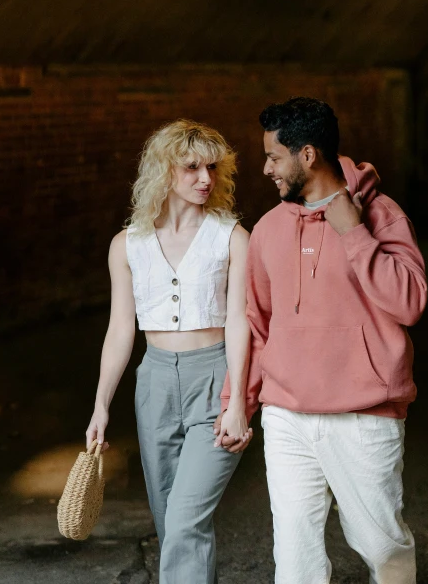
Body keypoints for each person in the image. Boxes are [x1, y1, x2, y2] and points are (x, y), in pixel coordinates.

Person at [217, 97, 427, 584]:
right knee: (294, 557)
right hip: (287, 414)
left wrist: (355, 235)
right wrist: (236, 403)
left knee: (382, 546)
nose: (266, 168)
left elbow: (411, 302)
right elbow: (257, 323)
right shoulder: (269, 229)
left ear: (307, 155)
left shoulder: (382, 215)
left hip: (363, 414)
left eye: (273, 156)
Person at [86, 119, 253, 584]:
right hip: (155, 383)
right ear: (163, 171)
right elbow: (121, 328)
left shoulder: (233, 237)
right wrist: (101, 406)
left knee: (185, 521)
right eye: (192, 167)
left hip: (213, 378)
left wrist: (237, 399)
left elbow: (241, 321)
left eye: (213, 168)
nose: (206, 178)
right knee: (172, 525)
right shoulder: (127, 246)